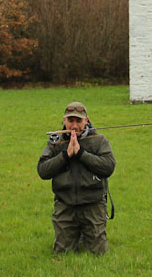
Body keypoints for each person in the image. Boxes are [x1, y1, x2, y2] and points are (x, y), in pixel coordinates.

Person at [37, 102, 115, 254]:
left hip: (93, 203)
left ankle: (87, 233)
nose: (74, 126)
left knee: (98, 253)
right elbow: (43, 171)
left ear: (86, 121)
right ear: (64, 120)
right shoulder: (56, 141)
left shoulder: (99, 140)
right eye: (70, 121)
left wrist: (81, 154)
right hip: (65, 204)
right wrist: (66, 155)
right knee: (62, 253)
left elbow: (109, 167)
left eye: (78, 121)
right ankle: (74, 234)